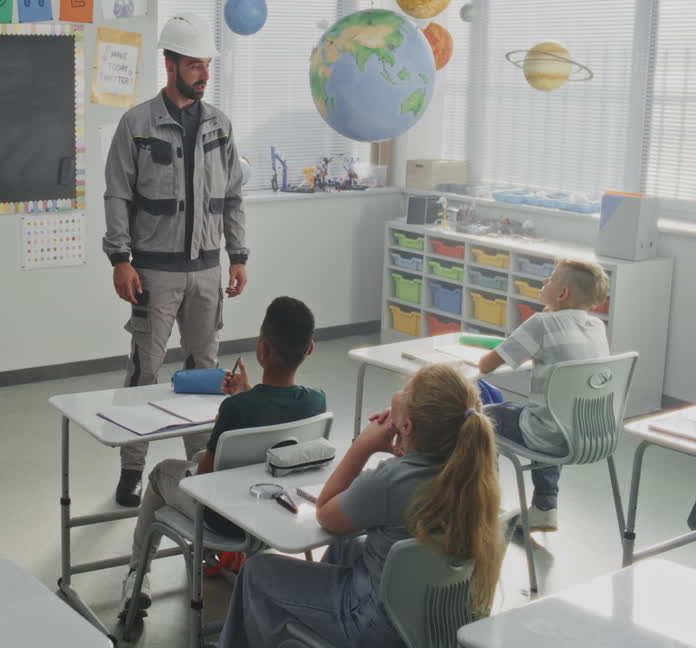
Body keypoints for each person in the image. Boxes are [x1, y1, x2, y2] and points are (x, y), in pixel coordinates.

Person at [218, 364, 503, 648]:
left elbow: (326, 514)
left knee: (257, 571)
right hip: (437, 618)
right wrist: (405, 428)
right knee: (349, 546)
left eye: (406, 392)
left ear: (408, 426)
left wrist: (363, 446)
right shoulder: (480, 473)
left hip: (377, 626)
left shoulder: (391, 481)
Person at [103, 12, 249, 507]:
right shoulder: (137, 125)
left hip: (207, 270)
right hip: (155, 272)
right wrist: (119, 259)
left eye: (207, 64)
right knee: (145, 372)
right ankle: (131, 469)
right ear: (169, 64)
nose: (203, 73)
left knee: (205, 371)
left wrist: (238, 255)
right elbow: (117, 194)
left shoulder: (221, 126)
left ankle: (199, 467)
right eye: (193, 64)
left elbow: (232, 197)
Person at [118, 297, 325, 627]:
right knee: (204, 455)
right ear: (310, 348)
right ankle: (218, 560)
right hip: (276, 514)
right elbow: (273, 425)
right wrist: (246, 394)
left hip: (225, 519)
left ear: (261, 347)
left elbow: (204, 479)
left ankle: (135, 576)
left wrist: (240, 401)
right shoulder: (316, 402)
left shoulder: (237, 410)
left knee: (160, 474)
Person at [477, 258, 610, 532]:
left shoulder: (542, 324)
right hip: (589, 433)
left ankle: (485, 504)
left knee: (479, 420)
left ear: (562, 294)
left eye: (550, 278)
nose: (544, 282)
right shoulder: (598, 328)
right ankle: (545, 506)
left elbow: (486, 365)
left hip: (546, 435)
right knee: (546, 413)